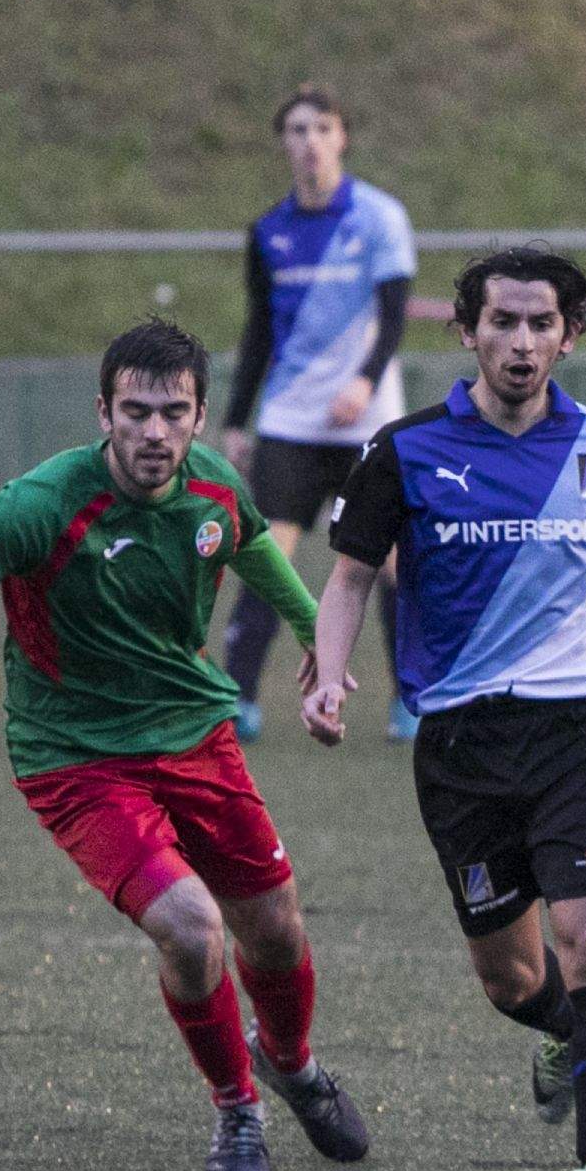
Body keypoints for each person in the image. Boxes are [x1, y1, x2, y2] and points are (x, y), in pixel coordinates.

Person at [301, 248, 586, 1171]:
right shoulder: (402, 450)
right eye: (504, 322)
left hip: (583, 723)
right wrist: (328, 673)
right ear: (467, 331)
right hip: (459, 738)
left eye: (543, 324)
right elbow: (353, 574)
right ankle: (570, 1037)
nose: (522, 342)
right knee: (509, 974)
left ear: (571, 336)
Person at [0, 319, 368, 1171]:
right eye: (134, 412)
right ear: (102, 412)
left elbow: (253, 549)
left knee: (277, 929)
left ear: (200, 417)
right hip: (76, 760)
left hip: (197, 735)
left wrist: (318, 652)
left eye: (173, 413)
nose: (153, 432)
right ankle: (237, 1106)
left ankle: (292, 1065)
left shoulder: (214, 485)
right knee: (190, 926)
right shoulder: (39, 507)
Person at [216, 84, 419, 743]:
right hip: (292, 423)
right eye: (297, 129)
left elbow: (393, 320)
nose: (309, 141)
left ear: (342, 138)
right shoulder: (268, 231)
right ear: (284, 142)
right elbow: (258, 334)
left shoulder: (379, 217)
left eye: (322, 128)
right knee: (267, 557)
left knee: (389, 561)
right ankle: (236, 699)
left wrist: (363, 382)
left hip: (365, 424)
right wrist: (236, 421)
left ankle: (411, 700)